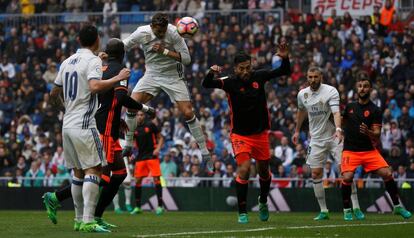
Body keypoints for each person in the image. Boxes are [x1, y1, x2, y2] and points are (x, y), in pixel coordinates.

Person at [48, 25, 130, 232]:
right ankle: (88, 220)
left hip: (67, 124)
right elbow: (94, 86)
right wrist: (117, 78)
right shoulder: (93, 61)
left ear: (78, 40)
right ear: (96, 41)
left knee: (78, 173)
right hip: (85, 124)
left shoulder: (66, 62)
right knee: (93, 170)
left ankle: (78, 220)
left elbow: (53, 94)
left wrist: (66, 108)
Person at [202, 42, 291, 224]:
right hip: (240, 135)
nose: (246, 71)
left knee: (264, 172)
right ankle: (242, 212)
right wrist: (211, 72)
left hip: (260, 135)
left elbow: (283, 71)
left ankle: (263, 201)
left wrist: (285, 57)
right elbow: (206, 84)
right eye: (242, 68)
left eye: (248, 67)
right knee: (244, 169)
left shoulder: (259, 76)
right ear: (236, 68)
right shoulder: (229, 82)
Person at [122, 13, 213, 170]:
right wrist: (108, 54)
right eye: (158, 31)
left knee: (188, 113)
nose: (161, 33)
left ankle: (204, 152)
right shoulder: (142, 32)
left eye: (163, 30)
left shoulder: (174, 33)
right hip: (151, 75)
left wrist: (164, 51)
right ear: (152, 27)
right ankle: (129, 144)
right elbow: (124, 45)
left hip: (173, 77)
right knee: (131, 105)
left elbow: (187, 59)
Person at [292, 66, 363, 221]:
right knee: (316, 173)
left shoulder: (331, 91)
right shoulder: (302, 94)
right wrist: (297, 131)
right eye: (310, 77)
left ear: (321, 77)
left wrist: (338, 129)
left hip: (334, 138)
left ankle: (356, 207)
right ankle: (324, 211)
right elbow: (301, 111)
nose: (312, 80)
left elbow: (336, 112)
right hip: (316, 140)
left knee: (346, 172)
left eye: (315, 77)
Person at [340, 72, 411, 221]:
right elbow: (342, 121)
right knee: (347, 176)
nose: (362, 89)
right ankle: (347, 210)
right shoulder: (350, 107)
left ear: (371, 89)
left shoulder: (375, 110)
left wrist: (369, 132)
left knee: (387, 173)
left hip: (368, 151)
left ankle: (397, 207)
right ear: (356, 88)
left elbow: (377, 134)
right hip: (350, 150)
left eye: (365, 86)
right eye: (360, 86)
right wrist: (338, 130)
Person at [130, 111, 165, 215]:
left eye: (141, 115)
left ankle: (160, 206)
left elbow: (161, 138)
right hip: (140, 157)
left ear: (144, 116)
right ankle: (137, 207)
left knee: (156, 179)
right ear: (135, 116)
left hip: (152, 155)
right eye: (138, 115)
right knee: (137, 181)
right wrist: (132, 152)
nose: (140, 116)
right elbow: (132, 141)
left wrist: (158, 148)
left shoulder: (150, 125)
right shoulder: (134, 127)